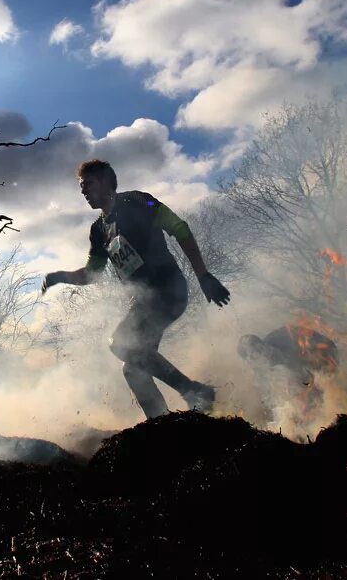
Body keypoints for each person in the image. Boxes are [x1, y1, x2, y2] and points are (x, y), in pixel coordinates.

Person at [41, 160, 231, 419]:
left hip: (168, 288)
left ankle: (194, 390)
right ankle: (164, 426)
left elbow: (180, 228)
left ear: (107, 180)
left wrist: (204, 276)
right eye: (81, 188)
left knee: (120, 344)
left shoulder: (141, 201)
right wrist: (59, 276)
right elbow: (92, 274)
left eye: (88, 185)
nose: (83, 192)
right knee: (133, 368)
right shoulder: (98, 230)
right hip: (143, 302)